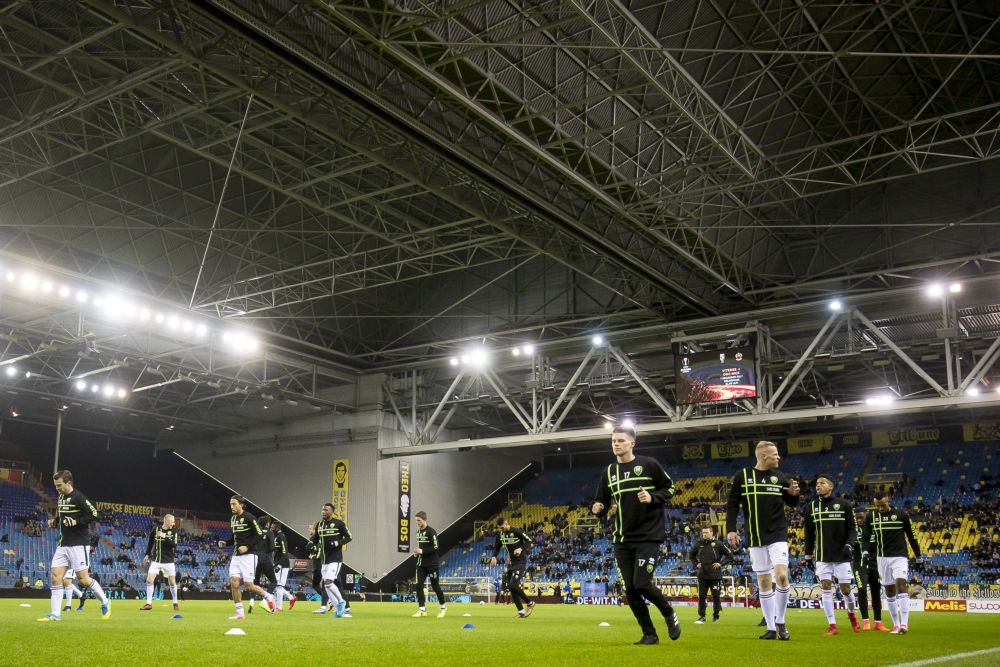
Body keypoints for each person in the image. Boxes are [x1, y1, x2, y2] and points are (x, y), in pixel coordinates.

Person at [592, 425, 681, 645]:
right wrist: (597, 508)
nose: (616, 444)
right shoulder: (609, 472)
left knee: (641, 583)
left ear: (632, 443)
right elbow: (602, 502)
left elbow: (670, 488)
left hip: (648, 535)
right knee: (630, 589)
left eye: (621, 440)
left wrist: (652, 497)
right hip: (622, 538)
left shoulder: (648, 464)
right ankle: (649, 633)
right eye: (613, 440)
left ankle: (668, 613)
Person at [726, 441, 801, 640]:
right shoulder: (742, 476)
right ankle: (770, 627)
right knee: (764, 581)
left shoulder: (779, 477)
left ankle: (781, 622)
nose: (778, 457)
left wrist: (794, 495)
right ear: (763, 456)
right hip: (755, 535)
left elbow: (791, 502)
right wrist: (731, 530)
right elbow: (732, 505)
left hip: (778, 533)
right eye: (775, 454)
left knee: (782, 576)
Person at [37, 470, 111, 622]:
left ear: (68, 483)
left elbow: (95, 514)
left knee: (83, 580)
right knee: (56, 577)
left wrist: (77, 522)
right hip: (63, 544)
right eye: (55, 485)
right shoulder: (61, 497)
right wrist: (55, 522)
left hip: (79, 544)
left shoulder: (79, 497)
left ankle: (105, 601)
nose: (57, 488)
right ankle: (55, 614)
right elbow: (62, 516)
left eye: (59, 485)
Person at [802, 475, 860, 635]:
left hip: (842, 555)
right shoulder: (811, 507)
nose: (818, 486)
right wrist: (808, 554)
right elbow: (809, 533)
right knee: (826, 587)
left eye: (822, 483)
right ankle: (832, 625)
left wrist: (850, 544)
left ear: (831, 486)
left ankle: (852, 615)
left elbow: (853, 528)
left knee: (846, 589)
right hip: (822, 555)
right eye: (817, 484)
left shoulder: (844, 505)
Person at [862, 490, 921, 635]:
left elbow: (912, 536)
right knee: (889, 591)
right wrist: (864, 551)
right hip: (881, 558)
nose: (880, 508)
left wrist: (918, 556)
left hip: (899, 557)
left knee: (901, 585)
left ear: (888, 500)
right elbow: (865, 537)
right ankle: (895, 625)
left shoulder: (901, 515)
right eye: (877, 506)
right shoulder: (871, 517)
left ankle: (904, 624)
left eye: (882, 505)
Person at [216, 496, 275, 620]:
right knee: (234, 583)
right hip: (236, 556)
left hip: (249, 556)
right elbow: (234, 538)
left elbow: (259, 535)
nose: (232, 507)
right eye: (230, 504)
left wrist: (247, 547)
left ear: (241, 504)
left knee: (249, 586)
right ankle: (240, 613)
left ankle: (269, 597)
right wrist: (226, 543)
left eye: (234, 504)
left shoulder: (249, 517)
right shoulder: (233, 519)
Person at [490, 518, 535, 618]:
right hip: (511, 563)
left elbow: (531, 541)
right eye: (500, 528)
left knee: (513, 585)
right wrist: (494, 557)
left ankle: (530, 602)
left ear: (506, 524)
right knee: (511, 587)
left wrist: (521, 548)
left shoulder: (517, 531)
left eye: (502, 527)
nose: (501, 529)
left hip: (520, 561)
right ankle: (521, 611)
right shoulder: (501, 535)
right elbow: (497, 547)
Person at [853, 510, 889, 632]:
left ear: (866, 517)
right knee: (862, 589)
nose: (859, 519)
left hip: (875, 563)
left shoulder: (874, 529)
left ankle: (878, 622)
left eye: (861, 517)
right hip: (859, 563)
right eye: (857, 517)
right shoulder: (853, 531)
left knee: (876, 592)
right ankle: (866, 621)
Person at [689, 526, 732, 623]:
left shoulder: (718, 544)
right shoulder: (698, 544)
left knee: (716, 596)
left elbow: (730, 556)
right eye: (703, 533)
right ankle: (702, 616)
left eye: (707, 532)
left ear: (712, 533)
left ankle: (716, 615)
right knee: (701, 596)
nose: (705, 534)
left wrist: (721, 563)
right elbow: (691, 555)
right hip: (702, 575)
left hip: (715, 576)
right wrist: (696, 563)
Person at [316, 502, 352, 618]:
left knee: (329, 582)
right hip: (324, 559)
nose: (323, 512)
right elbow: (316, 538)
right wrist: (311, 543)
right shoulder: (320, 524)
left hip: (335, 559)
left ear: (332, 512)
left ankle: (341, 602)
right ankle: (339, 609)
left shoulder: (339, 523)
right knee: (326, 586)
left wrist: (338, 542)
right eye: (322, 510)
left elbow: (349, 537)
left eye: (326, 510)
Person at [411, 510, 447, 618]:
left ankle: (443, 607)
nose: (417, 522)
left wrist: (422, 551)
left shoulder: (431, 532)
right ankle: (422, 609)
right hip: (421, 564)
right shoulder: (418, 532)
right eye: (416, 520)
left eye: (419, 520)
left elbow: (435, 547)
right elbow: (421, 546)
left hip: (432, 565)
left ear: (424, 520)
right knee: (419, 585)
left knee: (435, 586)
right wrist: (416, 553)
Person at [141, 514, 180, 611]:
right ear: (166, 521)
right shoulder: (156, 529)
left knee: (172, 583)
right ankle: (148, 604)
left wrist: (164, 536)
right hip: (156, 560)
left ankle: (175, 602)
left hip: (169, 561)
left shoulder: (174, 531)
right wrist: (147, 554)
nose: (174, 523)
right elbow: (150, 542)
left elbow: (174, 545)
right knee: (149, 580)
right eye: (172, 521)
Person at [246, 516, 277, 614]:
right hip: (264, 559)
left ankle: (251, 601)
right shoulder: (269, 532)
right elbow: (272, 547)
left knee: (255, 583)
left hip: (254, 559)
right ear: (267, 523)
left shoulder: (254, 532)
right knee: (273, 581)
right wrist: (265, 551)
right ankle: (265, 601)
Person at [270, 519, 296, 612]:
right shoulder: (276, 536)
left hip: (283, 564)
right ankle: (291, 597)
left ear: (277, 527)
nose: (271, 528)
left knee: (279, 585)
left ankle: (279, 607)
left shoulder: (281, 536)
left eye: (272, 527)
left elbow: (285, 553)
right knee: (277, 586)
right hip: (278, 563)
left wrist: (278, 565)